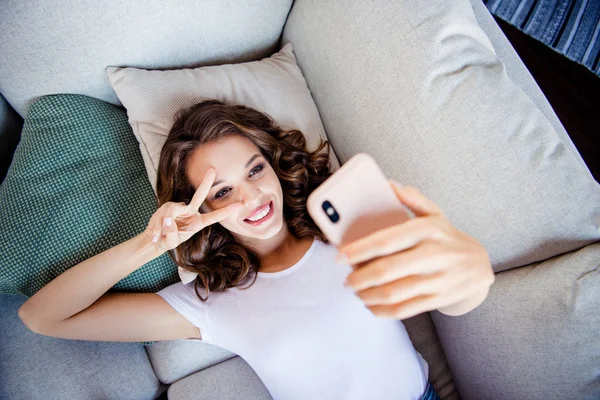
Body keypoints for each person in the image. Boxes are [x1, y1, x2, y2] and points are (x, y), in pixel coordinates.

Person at [18, 99, 495, 400]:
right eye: (221, 192)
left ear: (274, 164)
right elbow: (43, 318)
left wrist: (474, 275)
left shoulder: (349, 230)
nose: (251, 198)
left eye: (253, 170)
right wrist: (149, 246)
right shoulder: (214, 304)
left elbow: (454, 292)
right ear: (195, 209)